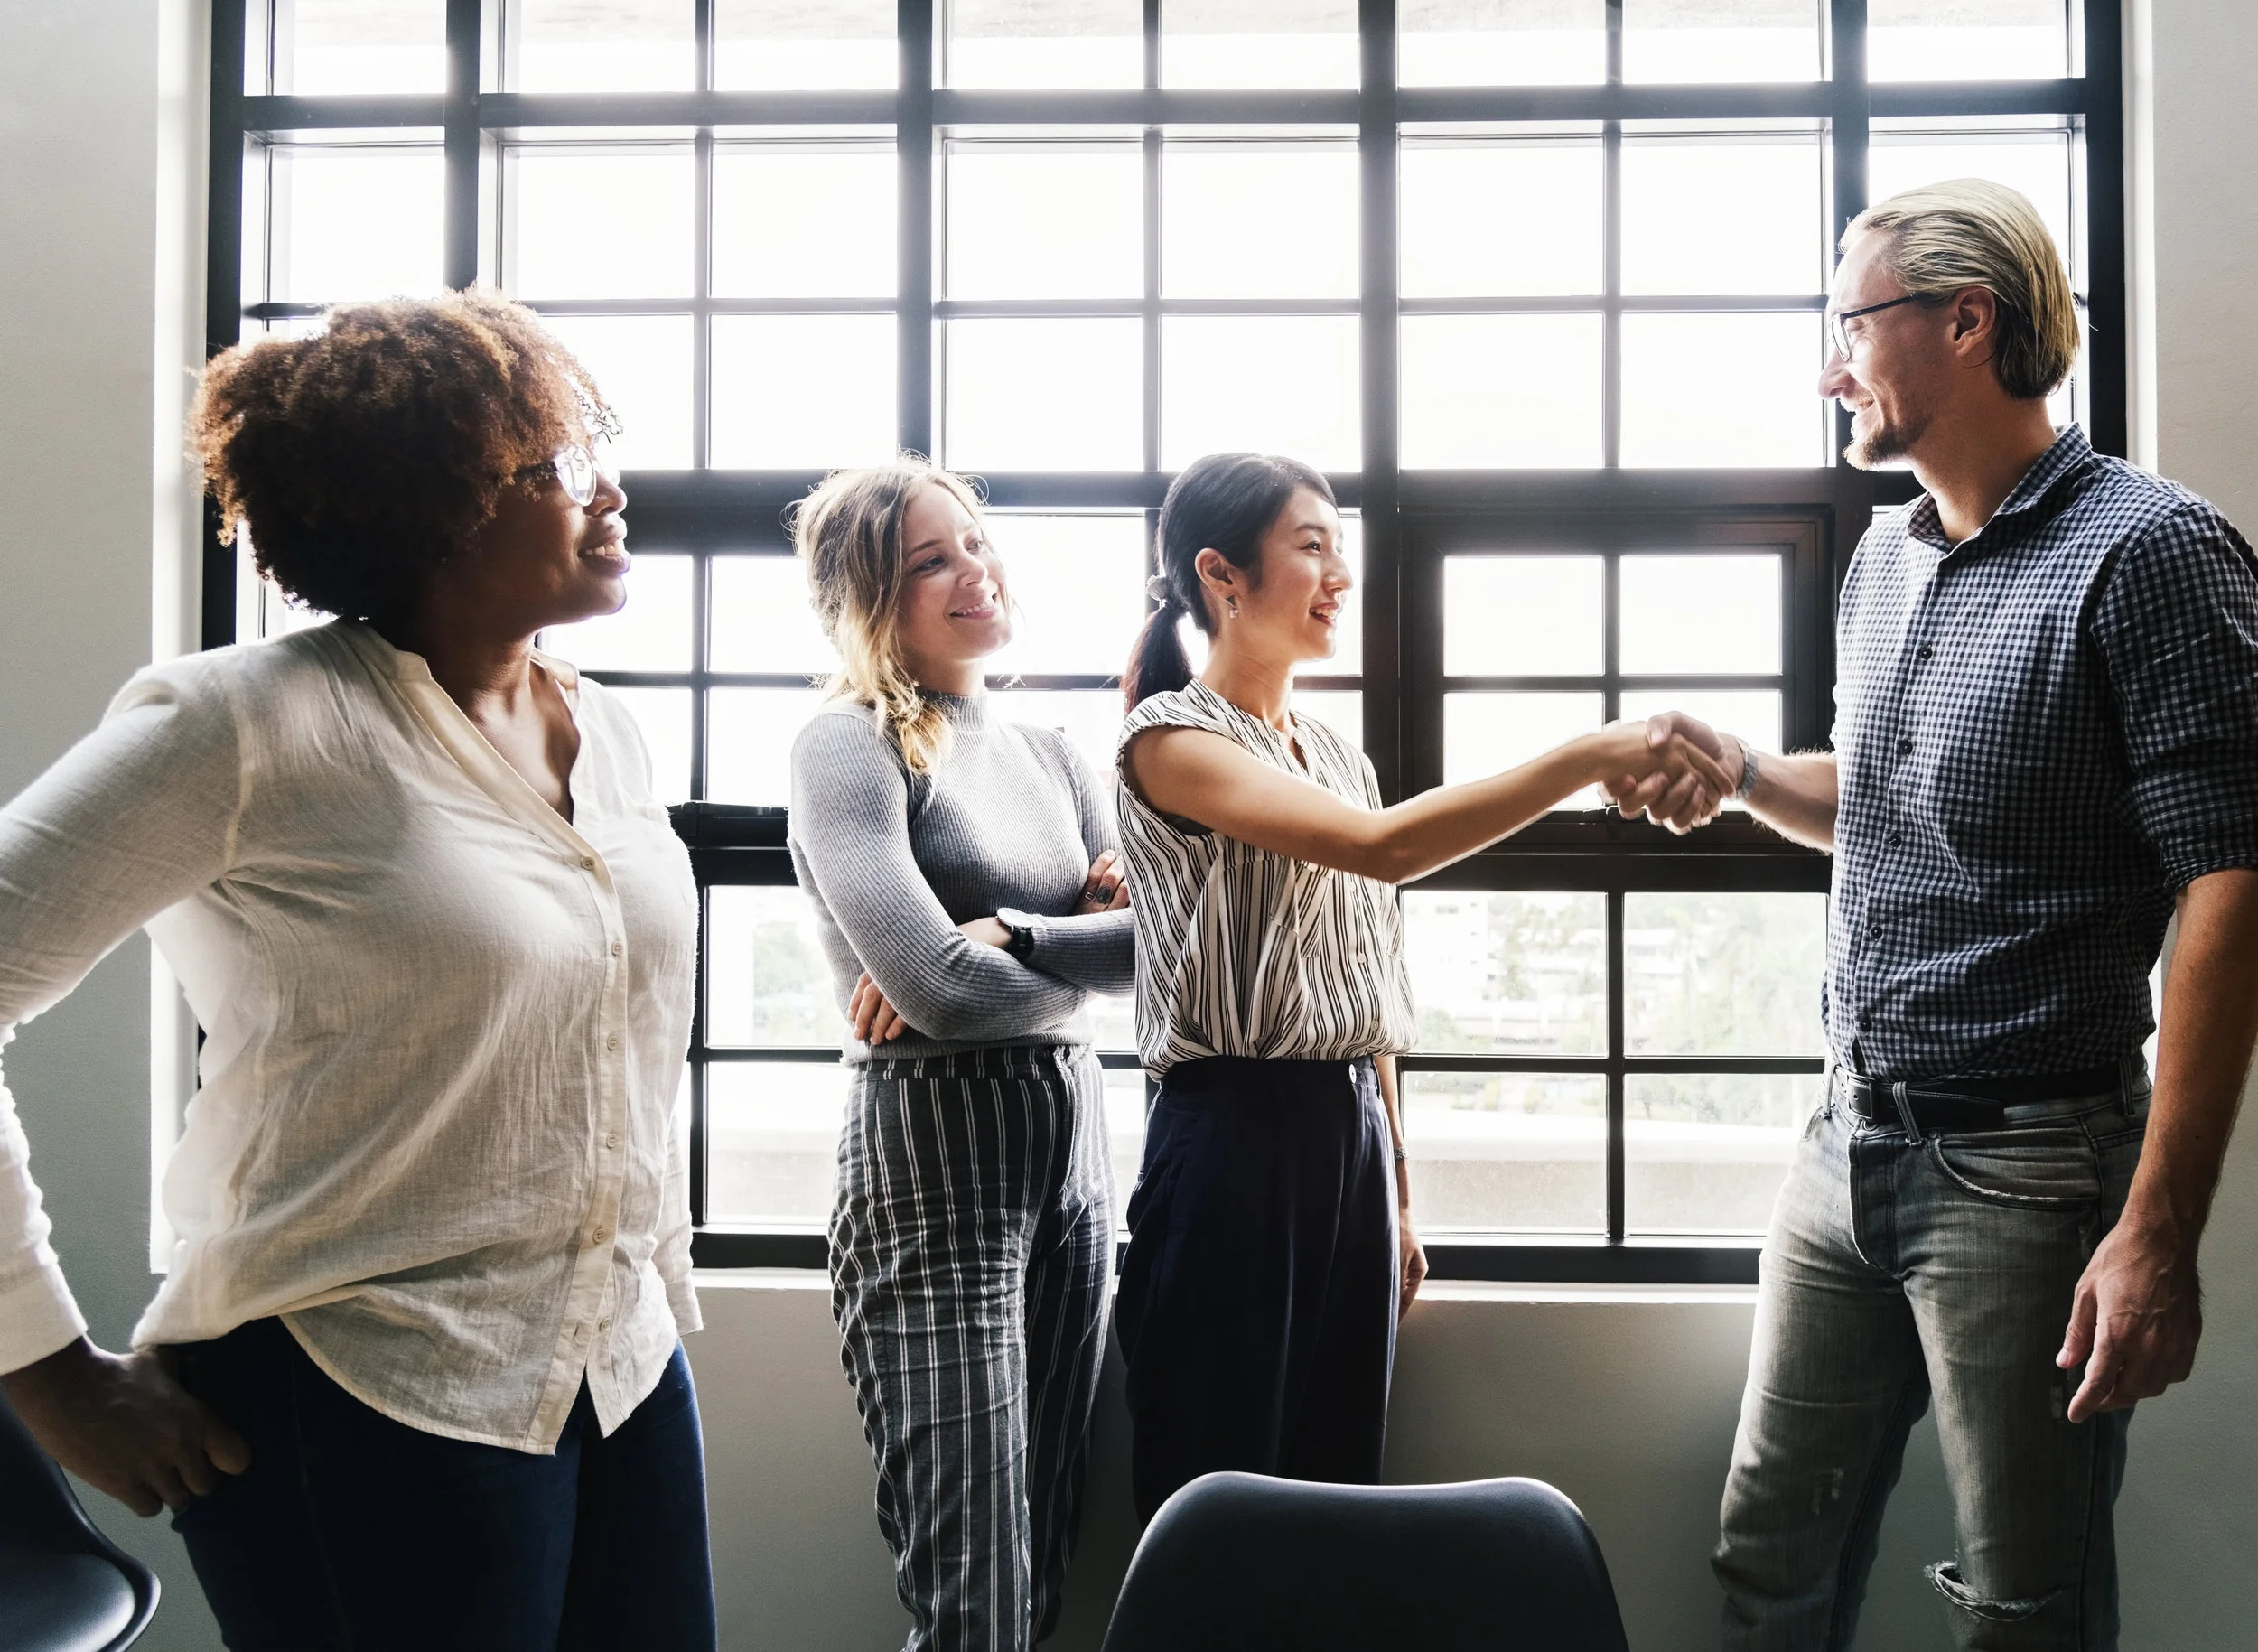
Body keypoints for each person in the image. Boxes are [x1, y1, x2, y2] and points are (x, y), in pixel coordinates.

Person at [0, 291, 715, 1650]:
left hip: (617, 1368)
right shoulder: (240, 726)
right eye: (551, 466)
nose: (607, 492)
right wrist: (42, 1374)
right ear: (429, 502)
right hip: (359, 1386)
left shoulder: (606, 732)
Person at [1604, 181, 2258, 1650]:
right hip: (1844, 1146)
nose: (1830, 364)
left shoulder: (2152, 552)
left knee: (2025, 1605)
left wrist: (2157, 1228)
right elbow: (1898, 793)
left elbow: (2232, 880)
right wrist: (1750, 774)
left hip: (2031, 1167)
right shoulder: (1888, 554)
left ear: (1968, 321)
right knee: (1767, 1564)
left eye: (1851, 325)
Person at [1112, 451, 1731, 1522]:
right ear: (1222, 574)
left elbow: (1368, 977)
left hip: (1344, 1136)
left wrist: (1396, 1186)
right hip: (1229, 1146)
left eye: (1337, 545)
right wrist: (1585, 755)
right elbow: (1384, 851)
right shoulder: (1169, 739)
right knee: (1217, 1502)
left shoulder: (1336, 755)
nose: (1338, 572)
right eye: (1310, 545)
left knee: (1334, 1489)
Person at [785, 458, 1136, 1652]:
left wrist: (1017, 935)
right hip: (929, 1167)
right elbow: (932, 989)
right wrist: (1072, 947)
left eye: (973, 545)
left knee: (1045, 1555)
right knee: (972, 1591)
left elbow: (1169, 953)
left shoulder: (1053, 751)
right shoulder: (848, 746)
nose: (970, 572)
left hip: (1071, 1156)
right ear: (866, 597)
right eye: (929, 559)